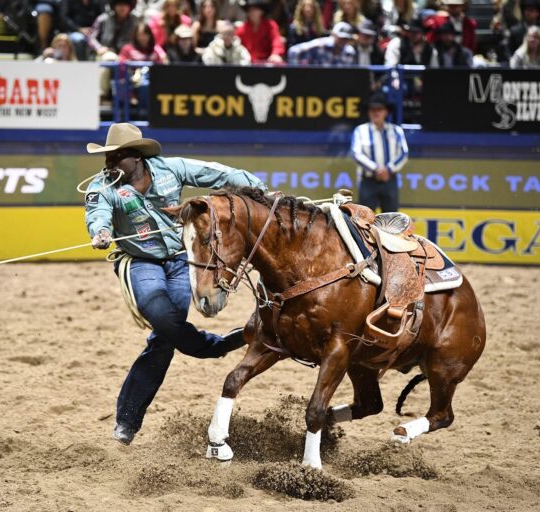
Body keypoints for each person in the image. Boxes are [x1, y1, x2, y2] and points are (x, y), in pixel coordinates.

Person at [83, 123, 268, 445]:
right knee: (160, 313)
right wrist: (100, 232)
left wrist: (259, 191)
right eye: (109, 155)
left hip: (182, 260)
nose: (110, 161)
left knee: (165, 337)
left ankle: (127, 421)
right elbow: (97, 213)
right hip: (140, 262)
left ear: (137, 157)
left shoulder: (171, 169)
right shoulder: (103, 187)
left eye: (117, 155)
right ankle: (214, 346)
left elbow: (219, 175)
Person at [351, 92, 407, 213]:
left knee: (392, 219)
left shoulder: (396, 131)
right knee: (365, 221)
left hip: (389, 180)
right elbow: (356, 154)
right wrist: (376, 169)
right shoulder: (361, 130)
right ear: (368, 112)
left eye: (379, 109)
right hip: (368, 181)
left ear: (386, 112)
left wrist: (388, 170)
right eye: (373, 109)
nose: (376, 112)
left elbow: (403, 153)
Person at [287, 19, 356, 63]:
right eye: (341, 37)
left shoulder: (349, 52)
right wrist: (297, 73)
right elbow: (293, 51)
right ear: (333, 35)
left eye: (346, 39)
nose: (343, 41)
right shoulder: (320, 45)